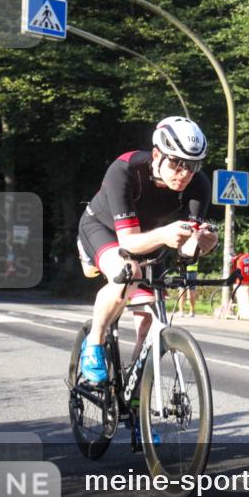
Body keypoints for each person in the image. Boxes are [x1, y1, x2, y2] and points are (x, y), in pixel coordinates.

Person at [76, 116, 218, 384]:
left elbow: (185, 250)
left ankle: (136, 386)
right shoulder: (125, 169)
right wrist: (165, 234)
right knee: (127, 271)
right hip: (103, 228)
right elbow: (128, 242)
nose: (185, 173)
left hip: (152, 241)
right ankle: (94, 343)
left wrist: (201, 246)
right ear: (156, 154)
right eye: (177, 163)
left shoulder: (199, 185)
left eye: (193, 165)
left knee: (151, 318)